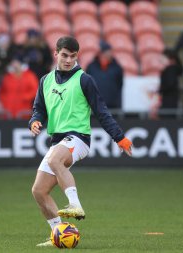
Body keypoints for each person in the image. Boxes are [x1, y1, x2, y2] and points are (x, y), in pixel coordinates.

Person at [29, 36, 133, 247]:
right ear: (56, 54)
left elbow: (102, 112)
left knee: (55, 160)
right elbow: (38, 108)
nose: (68, 60)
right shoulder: (45, 80)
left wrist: (120, 138)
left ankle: (75, 204)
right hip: (57, 140)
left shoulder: (85, 80)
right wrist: (35, 120)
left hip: (79, 138)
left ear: (77, 56)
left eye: (73, 56)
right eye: (65, 55)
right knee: (38, 191)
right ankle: (57, 233)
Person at [86, 40, 123, 110]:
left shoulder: (117, 68)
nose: (110, 54)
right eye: (107, 52)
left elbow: (119, 85)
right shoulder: (91, 67)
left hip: (113, 107)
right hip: (95, 106)